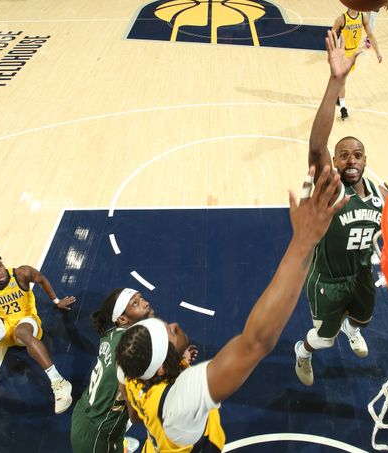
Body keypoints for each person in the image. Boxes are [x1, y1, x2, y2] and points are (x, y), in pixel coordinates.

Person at [115, 159, 348, 451]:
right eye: (170, 334)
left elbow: (135, 415)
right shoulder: (179, 401)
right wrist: (303, 241)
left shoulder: (128, 363)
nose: (174, 325)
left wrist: (178, 360)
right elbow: (256, 342)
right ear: (160, 369)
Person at [293, 30, 388, 386]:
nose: (350, 159)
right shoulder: (331, 188)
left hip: (359, 276)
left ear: (366, 160)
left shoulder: (380, 193)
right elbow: (315, 146)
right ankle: (303, 352)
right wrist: (334, 80)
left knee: (362, 321)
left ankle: (352, 331)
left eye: (357, 154)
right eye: (344, 155)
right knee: (324, 339)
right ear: (336, 162)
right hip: (328, 281)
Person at [0, 253, 76, 413]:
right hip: (5, 328)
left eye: (0, 266)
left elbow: (42, 280)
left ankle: (58, 381)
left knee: (23, 332)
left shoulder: (22, 274)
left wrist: (57, 302)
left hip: (27, 322)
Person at [71, 288, 158, 453]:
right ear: (123, 319)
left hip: (86, 410)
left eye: (141, 298)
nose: (145, 303)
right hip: (98, 436)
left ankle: (120, 443)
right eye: (135, 303)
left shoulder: (111, 334)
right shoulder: (133, 350)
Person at [331, 8, 382, 120]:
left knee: (341, 80)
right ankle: (343, 108)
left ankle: (337, 95)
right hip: (343, 52)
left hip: (354, 52)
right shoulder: (341, 19)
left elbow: (371, 35)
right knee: (342, 80)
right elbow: (332, 37)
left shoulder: (362, 17)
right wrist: (333, 53)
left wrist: (377, 51)